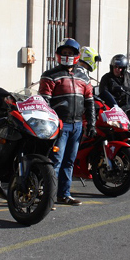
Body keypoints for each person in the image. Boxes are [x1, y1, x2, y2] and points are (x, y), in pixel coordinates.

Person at [39, 38, 95, 206]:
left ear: (76, 55)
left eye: (70, 53)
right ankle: (47, 199)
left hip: (77, 125)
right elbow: (44, 102)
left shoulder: (83, 77)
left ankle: (64, 195)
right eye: (64, 52)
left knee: (69, 162)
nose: (67, 55)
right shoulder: (49, 75)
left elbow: (90, 102)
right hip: (59, 126)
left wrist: (91, 124)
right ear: (58, 54)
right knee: (55, 161)